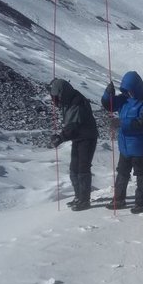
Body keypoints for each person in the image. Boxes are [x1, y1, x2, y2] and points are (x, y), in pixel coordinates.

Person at [101, 71, 143, 213]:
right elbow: (110, 105)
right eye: (127, 90)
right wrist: (108, 94)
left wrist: (121, 123)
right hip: (125, 145)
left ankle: (140, 203)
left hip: (139, 146)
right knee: (122, 172)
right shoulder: (125, 98)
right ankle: (119, 199)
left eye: (131, 90)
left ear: (137, 87)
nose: (129, 93)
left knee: (141, 174)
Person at [49, 78, 98, 211]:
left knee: (83, 168)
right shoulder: (70, 99)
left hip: (87, 138)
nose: (55, 101)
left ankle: (84, 200)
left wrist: (60, 137)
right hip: (78, 138)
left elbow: (73, 126)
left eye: (56, 97)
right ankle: (78, 196)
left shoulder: (77, 103)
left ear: (61, 93)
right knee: (74, 169)